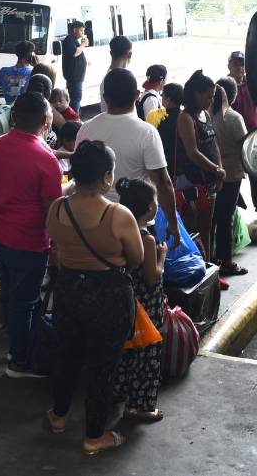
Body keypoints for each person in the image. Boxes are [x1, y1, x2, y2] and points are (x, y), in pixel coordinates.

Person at [44, 141, 144, 454]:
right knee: (102, 367)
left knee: (67, 357)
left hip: (69, 290)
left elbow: (56, 246)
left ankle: (58, 416)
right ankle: (94, 436)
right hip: (109, 295)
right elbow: (137, 258)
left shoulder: (58, 207)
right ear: (105, 178)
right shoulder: (118, 215)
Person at [0, 92, 62, 377]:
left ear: (14, 117)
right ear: (45, 120)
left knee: (10, 292)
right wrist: (56, 245)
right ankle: (19, 361)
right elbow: (51, 211)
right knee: (26, 301)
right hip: (28, 241)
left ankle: (13, 343)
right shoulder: (46, 159)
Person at [77, 69, 178, 244]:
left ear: (105, 97)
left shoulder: (86, 129)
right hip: (135, 226)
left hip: (92, 224)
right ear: (137, 95)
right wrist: (173, 224)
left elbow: (77, 177)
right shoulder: (147, 133)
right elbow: (162, 183)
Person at [112, 176, 167, 423]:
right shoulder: (146, 239)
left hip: (121, 300)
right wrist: (162, 256)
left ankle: (119, 391)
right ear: (150, 207)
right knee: (147, 354)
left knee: (124, 349)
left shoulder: (116, 228)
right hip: (145, 305)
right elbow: (152, 277)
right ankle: (140, 407)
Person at [175, 70, 223, 270]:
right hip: (192, 183)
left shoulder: (205, 114)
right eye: (208, 96)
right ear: (195, 94)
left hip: (209, 180)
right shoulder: (185, 118)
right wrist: (216, 170)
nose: (211, 100)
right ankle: (197, 268)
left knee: (207, 226)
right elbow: (193, 153)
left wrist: (219, 169)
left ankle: (208, 266)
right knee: (193, 228)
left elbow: (214, 144)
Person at [212, 77, 248, 278]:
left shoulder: (207, 116)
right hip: (232, 174)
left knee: (214, 218)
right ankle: (225, 261)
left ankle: (211, 257)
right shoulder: (233, 118)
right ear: (233, 96)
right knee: (226, 218)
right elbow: (245, 145)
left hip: (212, 173)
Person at [228, 51, 257, 130]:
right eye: (236, 64)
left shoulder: (254, 84)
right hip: (235, 135)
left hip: (255, 133)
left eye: (242, 64)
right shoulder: (224, 86)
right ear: (229, 66)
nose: (239, 67)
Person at [61, 21, 88, 115]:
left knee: (77, 99)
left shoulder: (73, 40)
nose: (83, 33)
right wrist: (83, 45)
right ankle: (75, 121)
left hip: (77, 77)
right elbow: (75, 53)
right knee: (76, 99)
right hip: (74, 77)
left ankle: (76, 119)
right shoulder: (69, 39)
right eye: (81, 30)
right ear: (74, 29)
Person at [155, 82, 184, 161]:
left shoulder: (162, 118)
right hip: (184, 163)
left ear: (168, 99)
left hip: (169, 163)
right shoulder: (186, 116)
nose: (161, 98)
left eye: (162, 95)